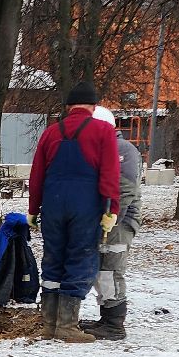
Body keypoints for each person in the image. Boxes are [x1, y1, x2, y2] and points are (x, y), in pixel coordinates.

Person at [27, 80, 121, 343]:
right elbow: (110, 174)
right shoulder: (102, 131)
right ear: (93, 106)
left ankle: (49, 324)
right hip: (85, 205)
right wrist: (111, 209)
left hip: (53, 204)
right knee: (80, 258)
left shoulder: (51, 132)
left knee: (53, 258)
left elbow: (36, 175)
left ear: (68, 107)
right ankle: (67, 326)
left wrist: (33, 210)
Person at [83, 106, 143, 341]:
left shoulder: (122, 150)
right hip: (110, 220)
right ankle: (107, 318)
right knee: (102, 270)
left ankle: (113, 323)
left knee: (110, 270)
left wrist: (109, 216)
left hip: (118, 223)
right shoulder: (103, 148)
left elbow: (124, 189)